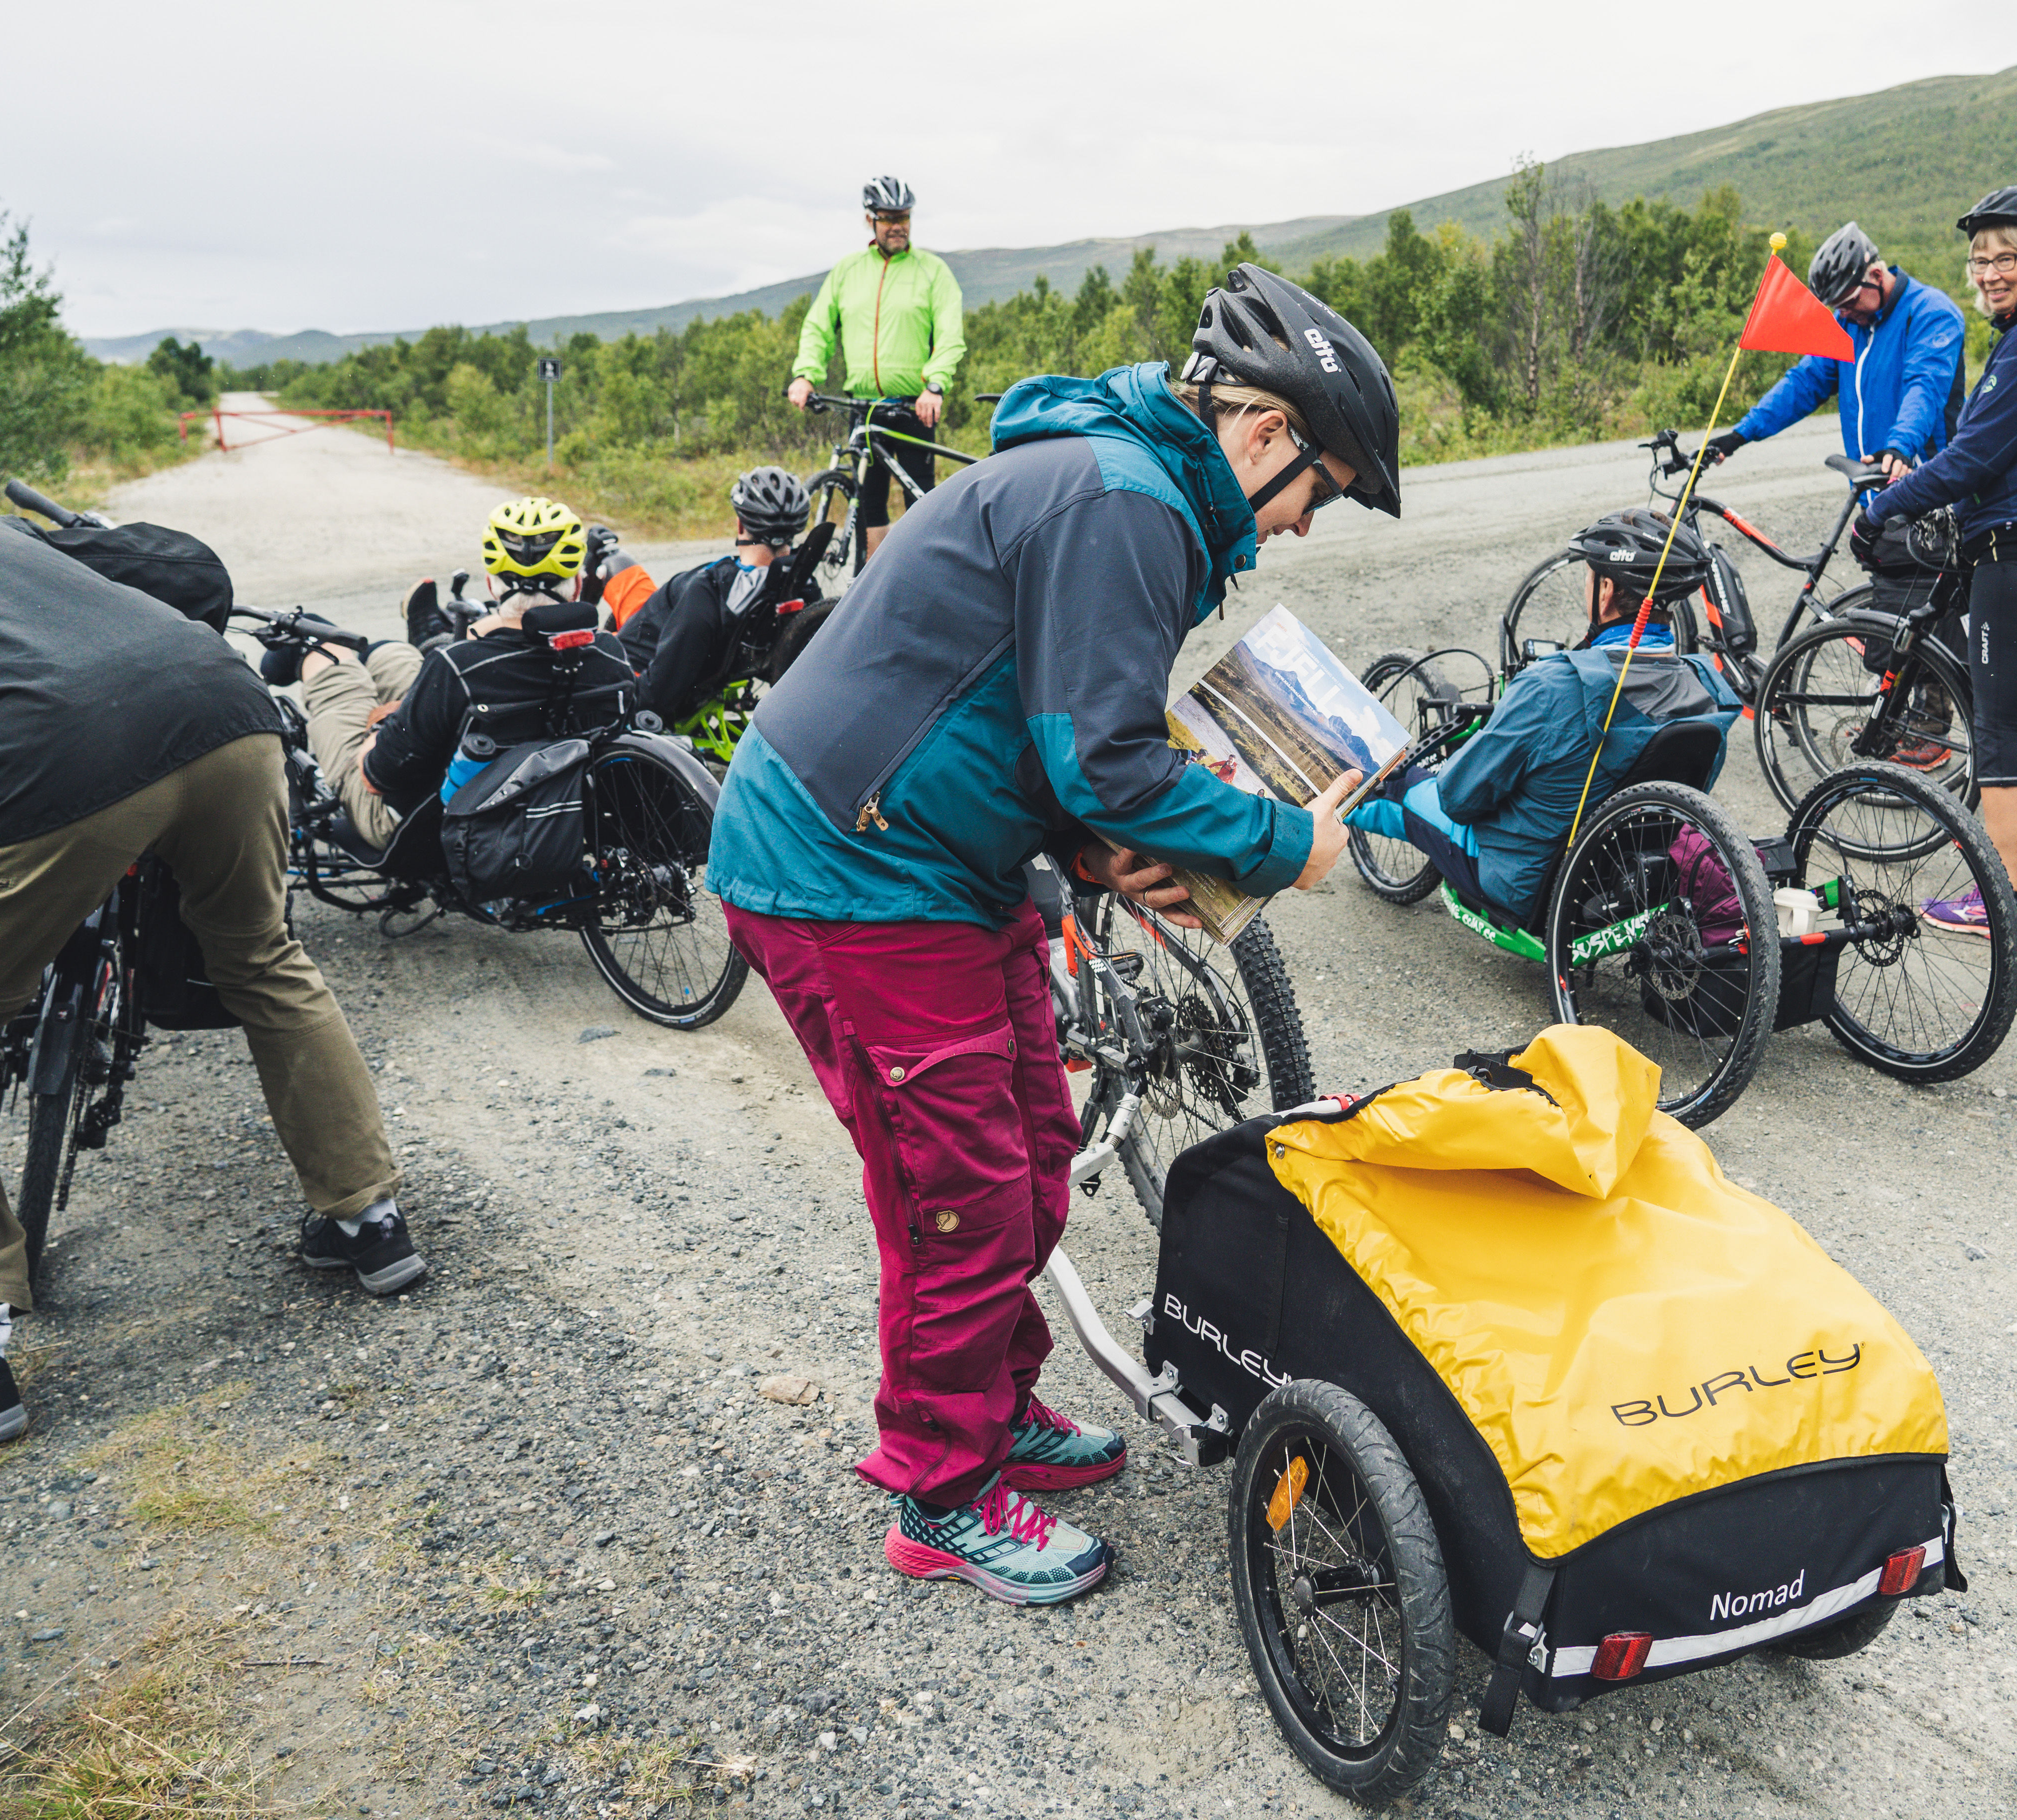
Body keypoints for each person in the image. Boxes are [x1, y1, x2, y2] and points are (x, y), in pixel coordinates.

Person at [712, 264, 1399, 1607]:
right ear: (1263, 434)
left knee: (1030, 1151)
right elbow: (1103, 756)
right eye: (1322, 487)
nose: (1310, 524)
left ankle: (992, 1408)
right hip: (853, 873)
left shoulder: (1129, 489)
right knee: (954, 1191)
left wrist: (1097, 855)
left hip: (932, 862)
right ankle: (944, 1489)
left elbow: (1030, 722)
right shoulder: (1126, 502)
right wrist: (1284, 847)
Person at [0, 510, 418, 1456]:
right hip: (228, 711)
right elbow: (167, 564)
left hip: (36, 759)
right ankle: (370, 1221)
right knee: (263, 959)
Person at [1853, 185, 2017, 938]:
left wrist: (1884, 509)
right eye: (1979, 260)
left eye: (2008, 257)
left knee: (2002, 723)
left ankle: (1997, 901)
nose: (1990, 272)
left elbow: (1974, 456)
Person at [1347, 510, 1739, 925]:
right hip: (1624, 881)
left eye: (1590, 577)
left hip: (1524, 887)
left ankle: (1334, 804)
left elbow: (1458, 800)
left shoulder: (1554, 685)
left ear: (1606, 590)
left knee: (1410, 788)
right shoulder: (1708, 687)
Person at [299, 497, 639, 849]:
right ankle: (404, 642)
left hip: (426, 830)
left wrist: (384, 726)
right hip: (560, 819)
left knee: (328, 661)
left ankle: (304, 653)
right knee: (395, 656)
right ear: (579, 586)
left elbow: (376, 777)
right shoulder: (610, 655)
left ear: (492, 586)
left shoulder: (458, 667)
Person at [784, 177, 968, 564]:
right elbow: (818, 327)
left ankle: (931, 582)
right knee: (870, 510)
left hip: (914, 407)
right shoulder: (848, 271)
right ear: (871, 220)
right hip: (863, 405)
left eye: (904, 217)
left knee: (923, 508)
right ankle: (872, 595)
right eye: (888, 218)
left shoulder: (933, 271)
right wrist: (806, 374)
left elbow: (951, 334)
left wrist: (935, 385)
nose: (898, 225)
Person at [1701, 222, 1967, 480]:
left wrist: (1901, 446)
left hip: (1924, 482)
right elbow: (1805, 383)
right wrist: (1740, 435)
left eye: (1849, 302)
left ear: (1876, 276)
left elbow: (1925, 387)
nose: (1844, 314)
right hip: (1873, 487)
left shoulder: (1931, 313)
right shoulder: (1849, 323)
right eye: (1836, 307)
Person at [617, 468, 823, 728]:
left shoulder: (709, 592)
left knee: (613, 559)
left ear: (740, 524)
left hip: (637, 659)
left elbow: (656, 695)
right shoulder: (802, 584)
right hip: (673, 632)